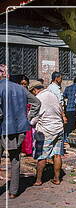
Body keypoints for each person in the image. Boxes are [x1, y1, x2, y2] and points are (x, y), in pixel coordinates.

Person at [0, 65, 41, 198]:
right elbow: (37, 102)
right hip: (19, 128)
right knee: (15, 159)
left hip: (3, 128)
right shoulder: (21, 88)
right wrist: (28, 117)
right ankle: (13, 191)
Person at [29, 81, 64, 186]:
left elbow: (33, 119)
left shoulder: (38, 99)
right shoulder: (53, 95)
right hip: (58, 128)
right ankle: (57, 179)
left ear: (34, 90)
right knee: (57, 154)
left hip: (46, 131)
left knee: (42, 156)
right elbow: (60, 109)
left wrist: (30, 122)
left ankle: (38, 180)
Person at [63, 76, 76, 143]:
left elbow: (64, 96)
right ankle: (68, 139)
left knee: (68, 125)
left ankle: (65, 137)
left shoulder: (68, 88)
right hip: (74, 109)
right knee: (72, 125)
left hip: (68, 109)